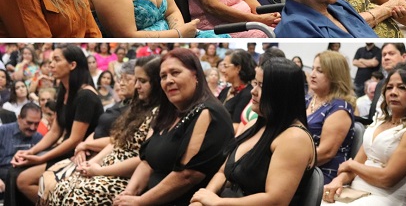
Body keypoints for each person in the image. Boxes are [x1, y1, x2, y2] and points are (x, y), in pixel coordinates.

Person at [113, 49, 234, 206]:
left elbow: (188, 175)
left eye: (175, 73)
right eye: (163, 76)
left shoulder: (208, 112)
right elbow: (147, 162)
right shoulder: (168, 111)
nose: (168, 80)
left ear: (196, 75)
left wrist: (140, 201)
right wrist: (129, 193)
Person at [191, 57, 315, 205]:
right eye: (255, 83)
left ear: (281, 94)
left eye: (261, 86)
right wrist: (204, 198)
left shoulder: (295, 138)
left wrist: (217, 202)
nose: (253, 91)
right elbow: (223, 172)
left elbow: (276, 201)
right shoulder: (255, 124)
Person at [46, 56, 162, 206]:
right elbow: (116, 143)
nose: (137, 86)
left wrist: (100, 169)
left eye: (143, 81)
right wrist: (91, 164)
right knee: (60, 188)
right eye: (137, 80)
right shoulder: (137, 107)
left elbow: (143, 161)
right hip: (105, 164)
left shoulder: (158, 113)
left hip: (123, 174)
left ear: (157, 83)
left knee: (74, 197)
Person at [324, 63, 406, 206]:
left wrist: (351, 165)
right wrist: (338, 181)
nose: (393, 92)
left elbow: (386, 179)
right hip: (354, 192)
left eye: (402, 87)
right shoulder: (379, 120)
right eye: (389, 87)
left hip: (386, 198)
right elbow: (357, 163)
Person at [11, 45, 103, 205]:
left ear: (72, 65)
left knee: (23, 180)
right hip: (66, 149)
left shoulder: (86, 95)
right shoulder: (64, 90)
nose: (51, 64)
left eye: (56, 60)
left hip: (82, 154)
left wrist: (40, 159)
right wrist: (31, 152)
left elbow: (75, 139)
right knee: (13, 172)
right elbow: (55, 131)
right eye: (51, 59)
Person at [306, 51, 355, 183]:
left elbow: (325, 153)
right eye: (313, 69)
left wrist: (287, 163)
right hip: (299, 164)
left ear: (335, 76)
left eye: (320, 71)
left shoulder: (340, 108)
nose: (312, 75)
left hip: (320, 174)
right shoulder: (307, 99)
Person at [0, 103, 42, 197]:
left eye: (36, 124)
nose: (32, 128)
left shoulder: (39, 138)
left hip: (25, 178)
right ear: (19, 118)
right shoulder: (3, 131)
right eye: (29, 123)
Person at [217, 49, 256, 131]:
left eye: (226, 66)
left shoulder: (248, 94)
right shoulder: (226, 90)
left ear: (238, 68)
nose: (223, 70)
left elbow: (236, 126)